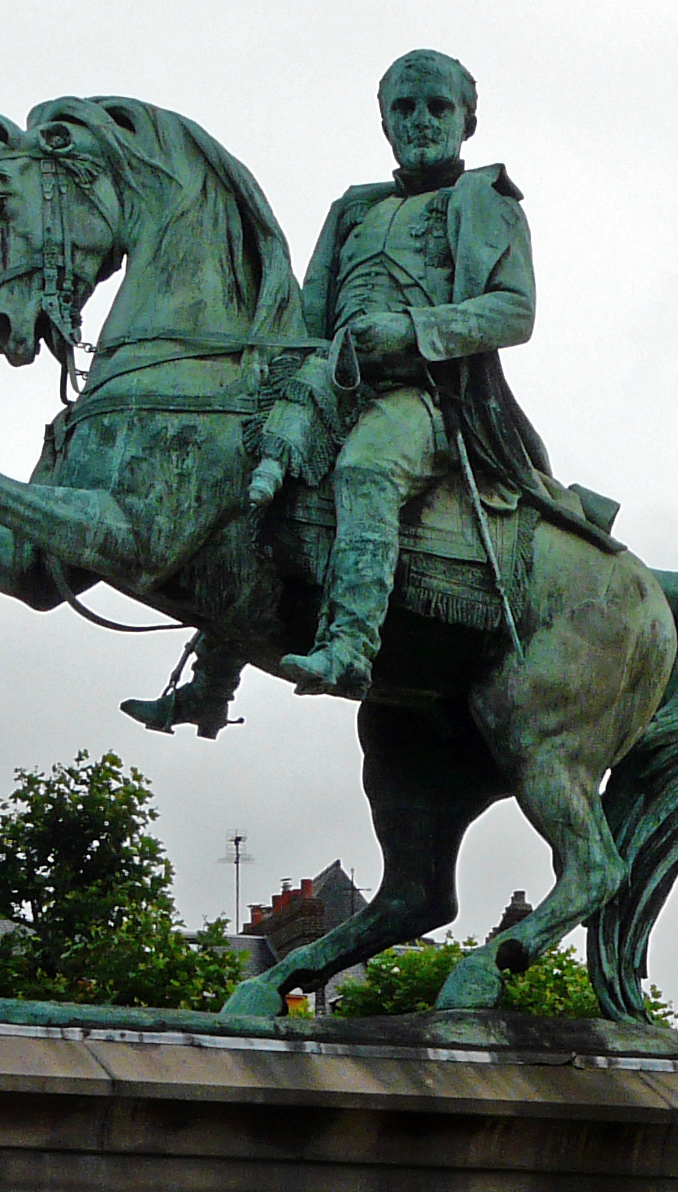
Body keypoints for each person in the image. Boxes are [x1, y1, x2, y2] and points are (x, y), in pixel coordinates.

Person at [122, 49, 549, 727]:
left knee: (367, 468)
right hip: (333, 385)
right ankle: (211, 686)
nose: (420, 121)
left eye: (438, 106)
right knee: (240, 477)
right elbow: (309, 317)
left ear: (467, 120)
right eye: (404, 108)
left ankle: (350, 647)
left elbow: (513, 311)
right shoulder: (352, 210)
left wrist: (410, 330)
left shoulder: (485, 201)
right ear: (384, 121)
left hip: (429, 399)